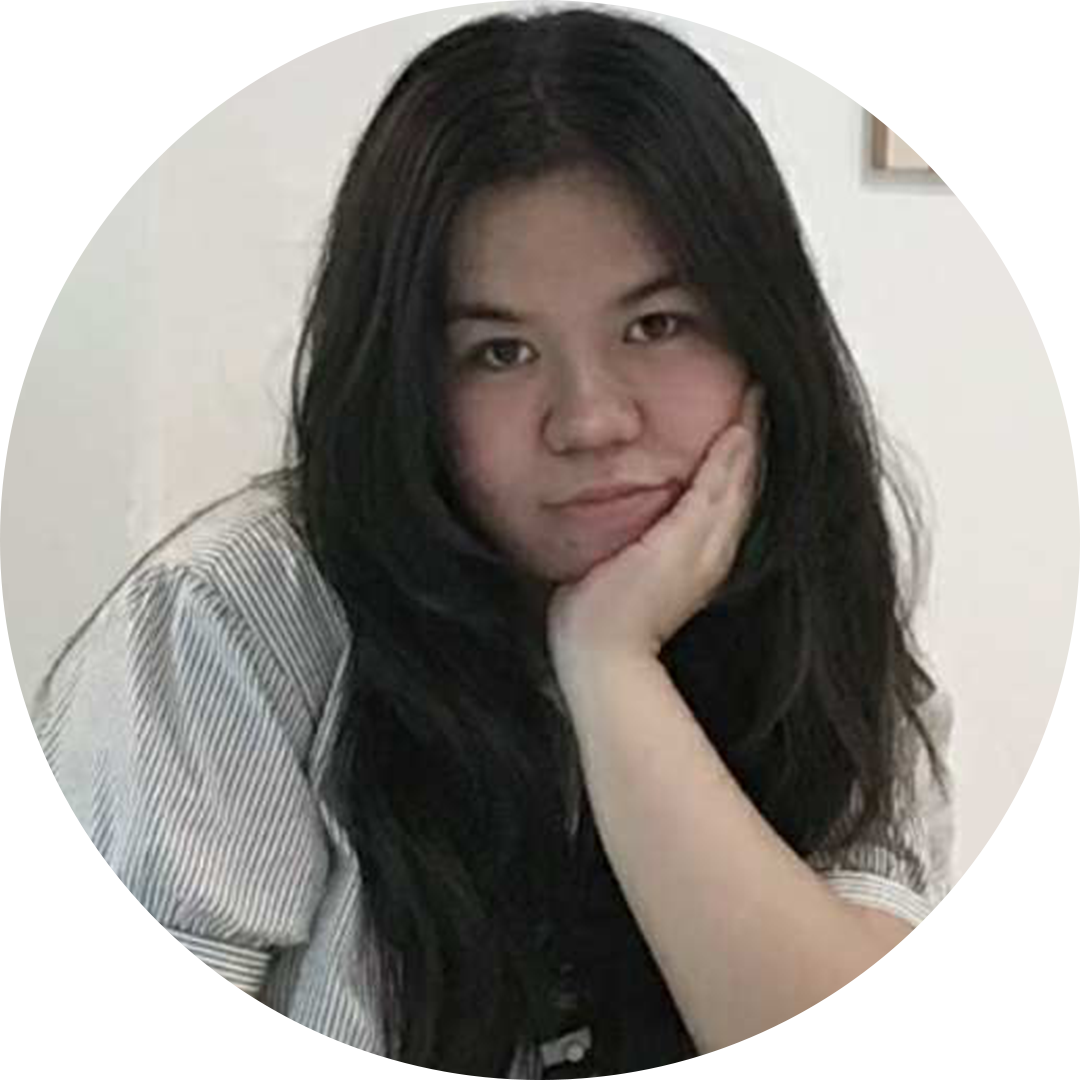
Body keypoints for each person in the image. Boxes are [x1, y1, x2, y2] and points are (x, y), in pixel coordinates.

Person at [30, 6, 956, 1079]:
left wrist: (611, 668)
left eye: (656, 326)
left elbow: (845, 1059)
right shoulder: (227, 628)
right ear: (407, 382)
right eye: (500, 352)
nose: (591, 419)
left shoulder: (815, 636)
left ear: (764, 341)